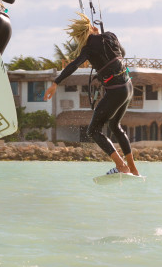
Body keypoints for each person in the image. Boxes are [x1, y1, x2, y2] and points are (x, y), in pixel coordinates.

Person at [43, 13, 137, 175]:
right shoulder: (110, 36)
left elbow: (73, 65)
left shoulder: (88, 48)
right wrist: (102, 36)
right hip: (128, 87)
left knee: (93, 130)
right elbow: (122, 52)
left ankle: (121, 166)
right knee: (114, 125)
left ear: (80, 35)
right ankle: (133, 169)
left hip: (116, 91)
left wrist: (56, 83)